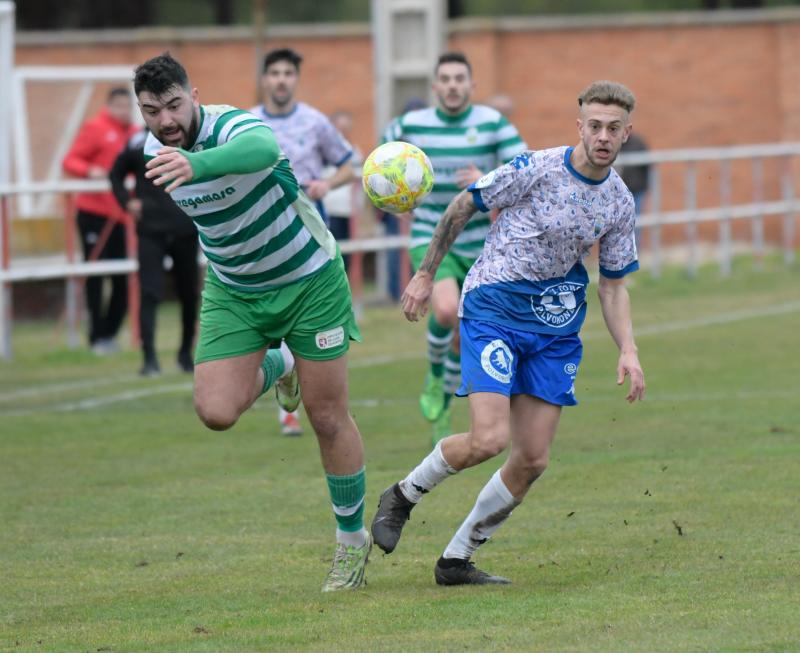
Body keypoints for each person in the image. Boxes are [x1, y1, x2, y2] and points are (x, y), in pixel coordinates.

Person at [371, 80, 646, 586]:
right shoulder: (535, 168)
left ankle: (455, 560)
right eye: (594, 125)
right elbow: (463, 204)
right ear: (579, 126)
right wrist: (427, 273)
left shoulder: (619, 203)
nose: (602, 136)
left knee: (533, 458)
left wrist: (628, 349)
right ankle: (403, 495)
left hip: (555, 327)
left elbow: (613, 287)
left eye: (613, 128)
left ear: (626, 133)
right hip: (494, 304)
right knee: (488, 439)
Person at [134, 53, 370, 592]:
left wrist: (200, 164)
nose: (166, 120)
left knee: (327, 415)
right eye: (152, 111)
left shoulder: (233, 124)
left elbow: (263, 149)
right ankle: (282, 360)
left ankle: (351, 544)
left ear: (194, 97)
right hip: (235, 289)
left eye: (174, 105)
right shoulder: (154, 148)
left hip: (309, 277)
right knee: (215, 411)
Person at [384, 52, 527, 445]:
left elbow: (525, 169)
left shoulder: (492, 123)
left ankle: (444, 402)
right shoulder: (410, 124)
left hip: (482, 243)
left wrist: (488, 179)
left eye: (459, 79)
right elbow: (381, 161)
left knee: (464, 339)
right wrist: (396, 194)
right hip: (431, 234)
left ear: (471, 86)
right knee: (445, 309)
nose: (451, 85)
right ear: (434, 87)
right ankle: (434, 376)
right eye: (444, 79)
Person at [250, 47, 356, 437]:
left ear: (296, 79)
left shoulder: (315, 122)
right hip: (261, 235)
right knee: (271, 317)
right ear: (264, 79)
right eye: (274, 72)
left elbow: (350, 162)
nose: (281, 79)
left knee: (306, 318)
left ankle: (312, 392)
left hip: (310, 233)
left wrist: (328, 182)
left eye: (287, 73)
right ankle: (286, 384)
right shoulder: (247, 124)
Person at [109, 129, 199, 377]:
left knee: (189, 294)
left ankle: (185, 355)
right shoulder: (139, 141)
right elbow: (115, 173)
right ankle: (149, 358)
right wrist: (127, 202)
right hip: (151, 231)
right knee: (149, 293)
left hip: (185, 228)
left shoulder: (193, 137)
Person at [62, 87, 139, 354]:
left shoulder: (135, 133)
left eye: (127, 106)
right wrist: (89, 170)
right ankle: (96, 337)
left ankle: (110, 334)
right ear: (108, 106)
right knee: (95, 276)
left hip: (122, 216)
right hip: (93, 214)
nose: (123, 112)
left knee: (124, 277)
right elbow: (70, 160)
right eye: (118, 106)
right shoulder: (95, 128)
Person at [618, 132, 651, 246]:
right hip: (619, 194)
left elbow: (648, 167)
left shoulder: (638, 143)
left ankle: (634, 252)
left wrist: (646, 187)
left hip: (637, 191)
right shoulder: (614, 144)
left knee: (636, 222)